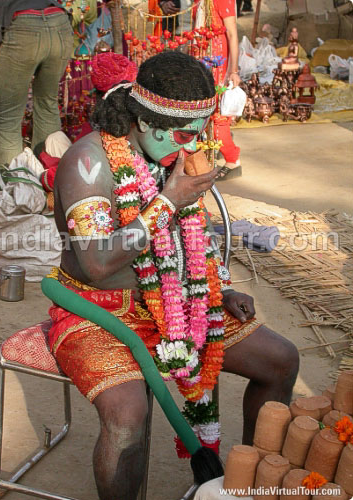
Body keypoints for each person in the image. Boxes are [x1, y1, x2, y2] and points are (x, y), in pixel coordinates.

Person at [48, 51, 299, 500]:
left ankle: (246, 486)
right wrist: (168, 201)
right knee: (127, 415)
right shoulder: (87, 164)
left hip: (179, 301)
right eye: (184, 134)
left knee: (280, 359)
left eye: (199, 134)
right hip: (98, 312)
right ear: (146, 122)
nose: (191, 147)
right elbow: (97, 263)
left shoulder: (165, 156)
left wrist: (216, 286)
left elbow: (189, 238)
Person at [0, 0, 73, 167]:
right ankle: (51, 179)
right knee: (47, 105)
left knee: (8, 118)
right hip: (60, 22)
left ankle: (14, 189)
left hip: (23, 28)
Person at [210, 0, 242, 179]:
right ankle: (217, 148)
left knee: (217, 115)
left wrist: (233, 70)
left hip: (218, 64)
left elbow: (232, 34)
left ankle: (232, 160)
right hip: (204, 59)